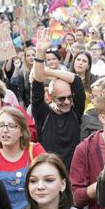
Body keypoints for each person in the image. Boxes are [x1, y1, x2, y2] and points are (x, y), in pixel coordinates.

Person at [32, 28, 85, 171]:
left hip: (73, 176)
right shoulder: (43, 114)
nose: (67, 102)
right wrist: (40, 53)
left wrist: (47, 71)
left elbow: (77, 81)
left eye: (69, 97)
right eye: (62, 99)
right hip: (48, 174)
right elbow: (37, 84)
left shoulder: (75, 112)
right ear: (50, 97)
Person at [0, 106, 46, 209]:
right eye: (1, 125)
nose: (5, 130)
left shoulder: (34, 150)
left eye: (11, 126)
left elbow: (50, 180)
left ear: (22, 131)